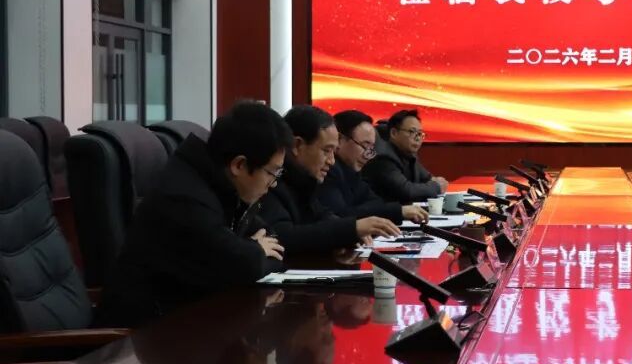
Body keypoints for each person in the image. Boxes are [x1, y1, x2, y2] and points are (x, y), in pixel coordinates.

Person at [103, 101, 294, 326]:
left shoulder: (222, 187)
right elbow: (243, 266)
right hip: (146, 333)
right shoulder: (184, 197)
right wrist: (254, 252)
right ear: (239, 165)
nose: (273, 184)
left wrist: (252, 252)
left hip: (190, 321)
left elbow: (273, 247)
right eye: (272, 173)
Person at [259, 105, 399, 255]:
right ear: (297, 145)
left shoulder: (304, 181)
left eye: (334, 151)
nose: (332, 161)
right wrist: (352, 228)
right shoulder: (270, 181)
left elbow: (322, 216)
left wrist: (349, 236)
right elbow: (282, 237)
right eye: (326, 151)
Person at [317, 110, 429, 225]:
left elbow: (376, 203)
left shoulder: (352, 171)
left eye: (371, 148)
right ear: (339, 140)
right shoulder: (326, 170)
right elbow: (341, 215)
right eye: (364, 146)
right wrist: (398, 211)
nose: (368, 156)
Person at [361, 109, 448, 202]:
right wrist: (436, 187)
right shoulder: (383, 158)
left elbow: (428, 178)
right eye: (412, 132)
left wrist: (435, 183)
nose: (418, 138)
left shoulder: (408, 153)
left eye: (420, 133)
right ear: (394, 133)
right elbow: (407, 191)